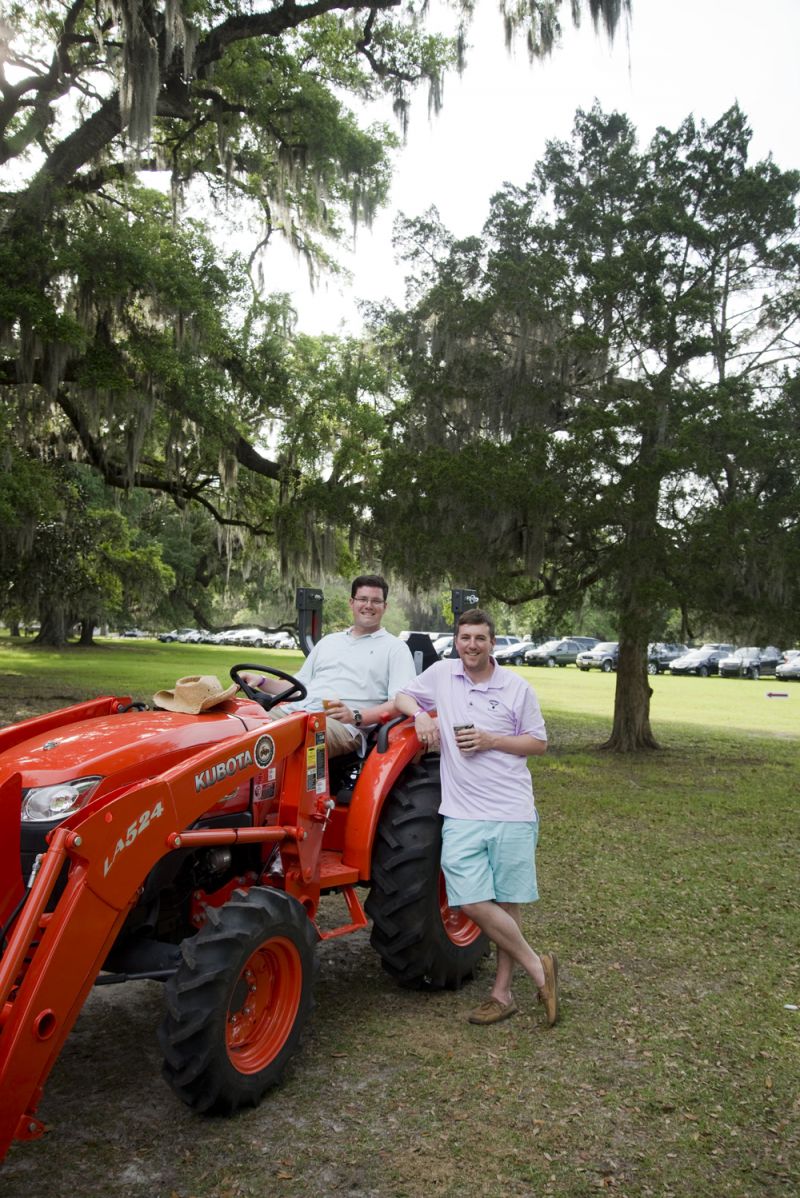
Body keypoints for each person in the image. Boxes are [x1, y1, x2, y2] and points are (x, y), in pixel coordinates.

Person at [394, 608, 559, 1026]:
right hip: (462, 812)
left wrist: (490, 740)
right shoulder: (443, 675)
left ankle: (502, 995)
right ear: (456, 641)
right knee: (467, 898)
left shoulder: (516, 687)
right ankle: (539, 969)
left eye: (480, 638)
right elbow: (403, 695)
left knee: (507, 901)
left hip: (511, 811)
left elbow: (538, 743)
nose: (472, 645)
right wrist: (419, 716)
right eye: (465, 637)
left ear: (493, 643)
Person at [245, 574, 416, 756]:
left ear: (385, 606)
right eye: (363, 599)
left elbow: (400, 703)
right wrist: (262, 681)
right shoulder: (329, 642)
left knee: (279, 741)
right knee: (240, 727)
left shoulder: (395, 648)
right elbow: (296, 687)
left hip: (342, 725)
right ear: (351, 602)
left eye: (376, 601)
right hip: (296, 712)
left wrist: (355, 716)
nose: (368, 605)